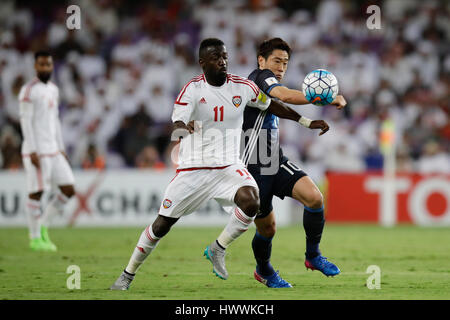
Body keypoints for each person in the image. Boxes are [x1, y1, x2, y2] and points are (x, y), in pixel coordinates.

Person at [110, 38, 329, 290]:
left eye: (224, 56)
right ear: (202, 63)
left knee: (251, 201)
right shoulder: (192, 90)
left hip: (228, 167)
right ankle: (128, 273)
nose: (222, 61)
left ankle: (218, 248)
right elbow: (178, 123)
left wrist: (307, 122)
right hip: (194, 169)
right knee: (161, 225)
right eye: (216, 57)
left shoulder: (242, 86)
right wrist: (184, 128)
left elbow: (272, 106)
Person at [242, 38, 347, 288]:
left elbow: (277, 106)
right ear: (262, 60)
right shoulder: (259, 77)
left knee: (315, 198)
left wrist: (308, 123)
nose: (281, 67)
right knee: (267, 229)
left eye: (285, 63)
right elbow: (284, 95)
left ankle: (313, 256)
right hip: (253, 165)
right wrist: (324, 97)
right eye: (277, 61)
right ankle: (264, 271)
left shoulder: (263, 89)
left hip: (274, 159)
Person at [18, 51, 76, 251]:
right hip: (37, 150)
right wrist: (32, 149)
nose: (45, 68)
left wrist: (61, 147)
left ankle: (43, 225)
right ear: (35, 66)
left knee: (68, 189)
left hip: (53, 149)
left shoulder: (53, 89)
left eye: (48, 65)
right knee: (37, 192)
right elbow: (25, 122)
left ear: (52, 66)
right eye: (41, 65)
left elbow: (55, 120)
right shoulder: (28, 90)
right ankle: (35, 238)